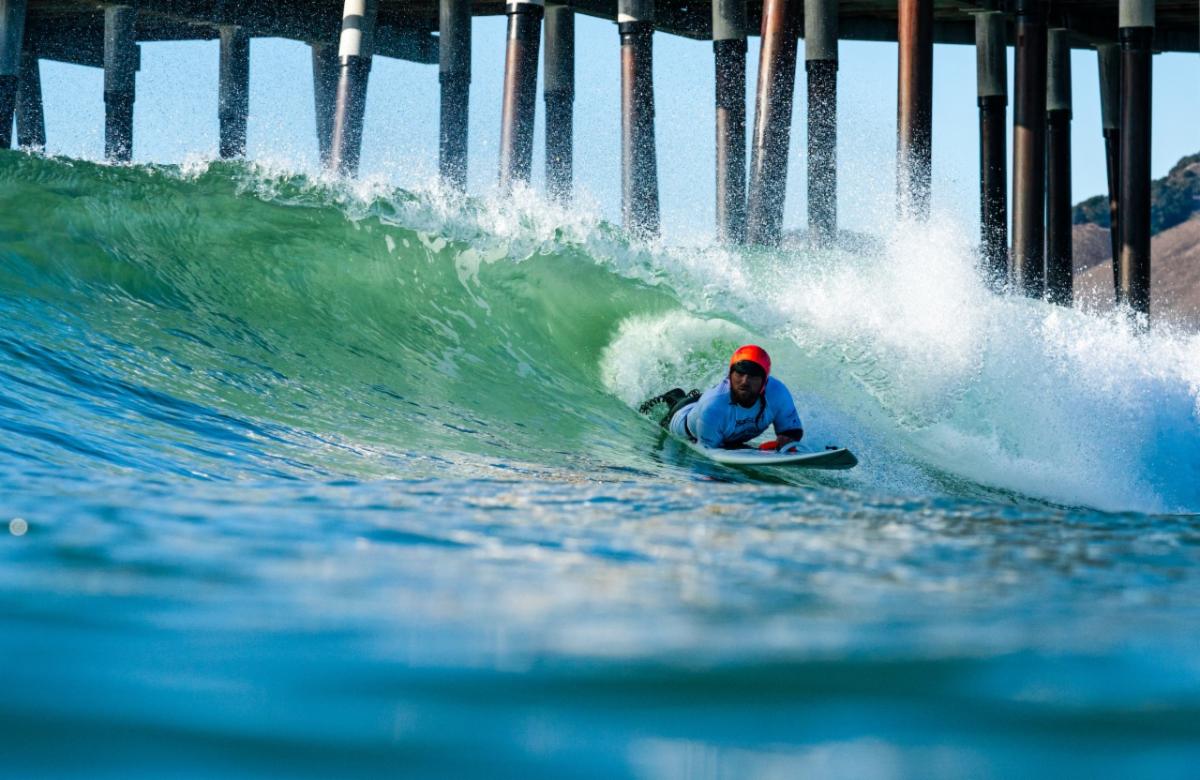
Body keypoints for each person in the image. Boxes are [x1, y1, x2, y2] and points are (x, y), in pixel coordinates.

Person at [639, 345, 804, 450]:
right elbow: (708, 454)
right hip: (681, 422)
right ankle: (674, 397)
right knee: (687, 405)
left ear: (765, 380)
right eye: (739, 373)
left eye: (753, 376)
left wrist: (787, 439)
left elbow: (792, 430)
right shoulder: (714, 407)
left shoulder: (778, 393)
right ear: (730, 375)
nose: (745, 381)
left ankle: (686, 397)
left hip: (711, 407)